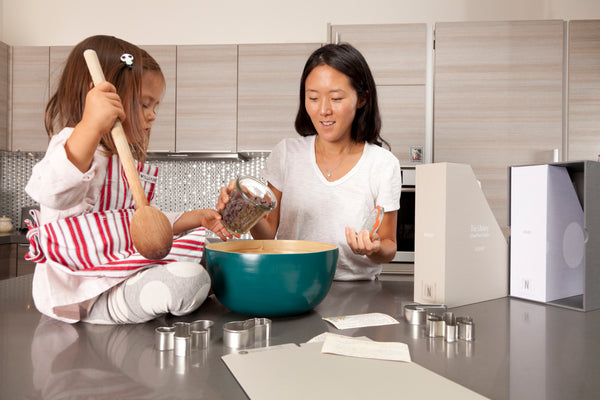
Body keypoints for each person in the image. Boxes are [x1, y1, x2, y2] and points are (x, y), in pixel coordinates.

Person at [24, 35, 233, 324]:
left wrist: (196, 217)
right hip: (85, 287)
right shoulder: (73, 146)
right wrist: (90, 125)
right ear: (101, 100)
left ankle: (143, 293)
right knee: (188, 280)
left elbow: (141, 225)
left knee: (212, 257)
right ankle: (109, 308)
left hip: (121, 267)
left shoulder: (121, 161)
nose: (152, 116)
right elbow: (50, 191)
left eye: (155, 106)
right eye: (145, 105)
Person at [217, 43, 401, 280]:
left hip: (355, 291)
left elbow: (389, 245)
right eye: (313, 97)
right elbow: (266, 234)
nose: (323, 110)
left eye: (335, 98)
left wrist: (374, 248)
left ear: (362, 99)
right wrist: (245, 208)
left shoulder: (382, 164)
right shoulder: (286, 154)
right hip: (290, 283)